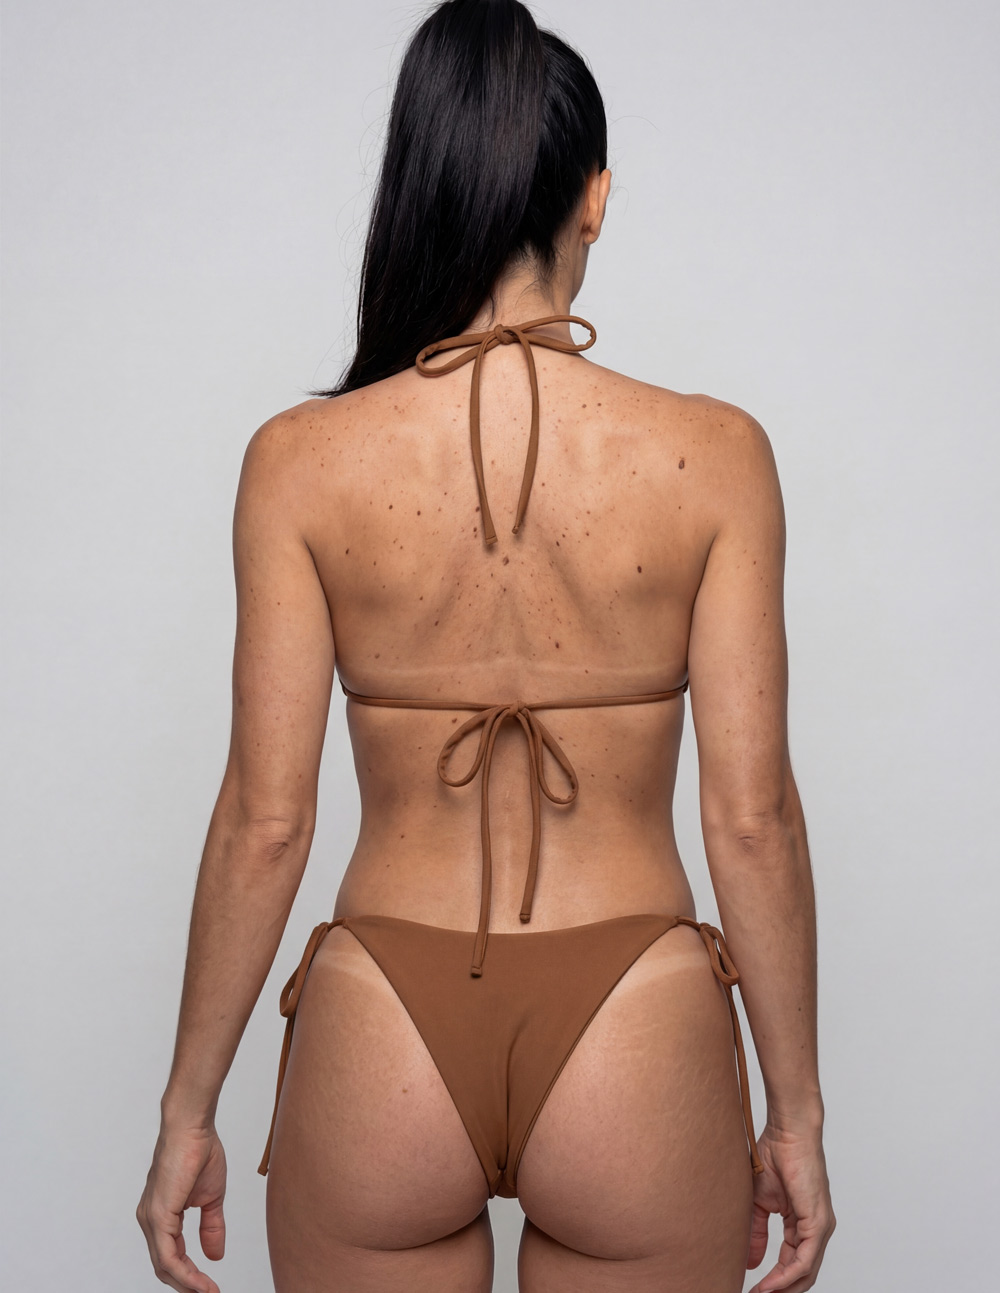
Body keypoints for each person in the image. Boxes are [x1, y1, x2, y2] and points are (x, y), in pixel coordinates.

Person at [136, 1, 835, 1289]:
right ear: (596, 198)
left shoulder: (299, 463)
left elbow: (264, 822)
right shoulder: (717, 456)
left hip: (384, 1015)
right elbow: (753, 819)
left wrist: (189, 1108)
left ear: (422, 187)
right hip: (636, 1010)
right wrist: (796, 1117)